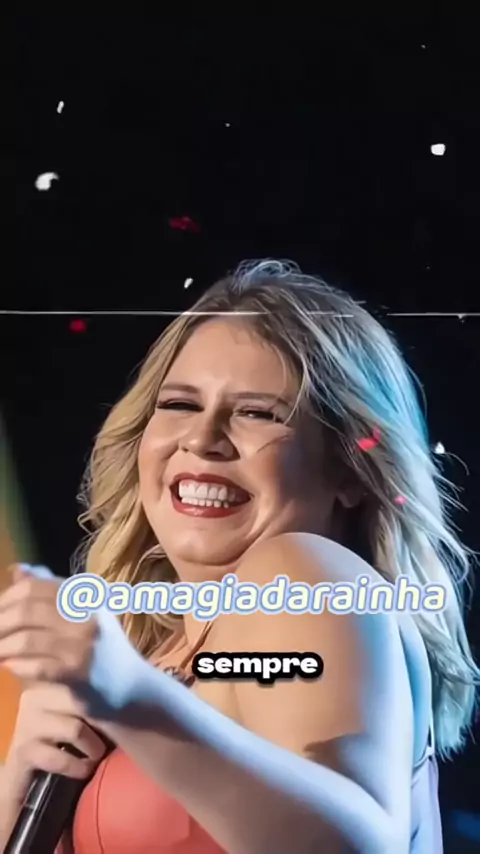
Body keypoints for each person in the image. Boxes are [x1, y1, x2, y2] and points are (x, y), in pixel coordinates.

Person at [0, 259, 478, 853]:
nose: (201, 439)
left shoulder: (301, 575)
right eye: (179, 405)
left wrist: (133, 699)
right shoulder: (162, 659)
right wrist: (15, 789)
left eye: (257, 413)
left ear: (349, 472)